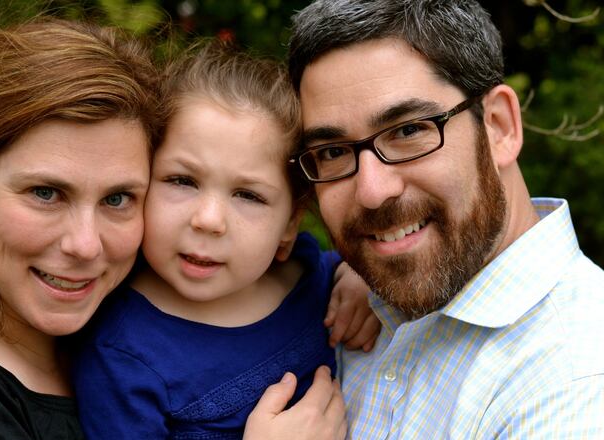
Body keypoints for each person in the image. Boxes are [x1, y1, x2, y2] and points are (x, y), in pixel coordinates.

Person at [0, 18, 346, 440]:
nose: (84, 244)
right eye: (45, 193)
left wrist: (361, 279)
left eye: (118, 199)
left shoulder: (112, 319)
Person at [287, 0, 604, 437]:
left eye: (408, 130)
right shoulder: (344, 302)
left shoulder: (585, 390)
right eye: (332, 152)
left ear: (499, 126)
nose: (372, 191)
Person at [71, 42, 378, 440]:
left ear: (288, 225)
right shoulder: (120, 355)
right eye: (182, 181)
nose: (209, 220)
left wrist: (359, 276)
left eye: (248, 195)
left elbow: (339, 266)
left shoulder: (304, 273)